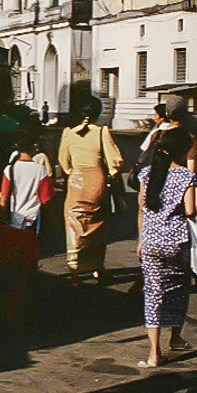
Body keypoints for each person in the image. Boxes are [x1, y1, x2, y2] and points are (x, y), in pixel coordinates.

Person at [136, 127, 197, 368]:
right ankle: (175, 337)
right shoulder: (185, 176)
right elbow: (191, 210)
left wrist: (140, 241)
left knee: (153, 295)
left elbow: (142, 209)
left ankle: (154, 353)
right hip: (175, 243)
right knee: (179, 290)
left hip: (150, 241)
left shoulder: (147, 174)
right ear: (183, 151)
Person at [0, 130, 55, 320]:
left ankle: (5, 306)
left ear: (17, 147)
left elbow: (3, 199)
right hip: (30, 226)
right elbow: (46, 200)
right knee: (24, 271)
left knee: (7, 267)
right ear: (35, 145)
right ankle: (19, 307)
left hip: (11, 225)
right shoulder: (40, 171)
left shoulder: (9, 170)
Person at [57, 101, 124, 283]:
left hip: (77, 181)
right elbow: (115, 161)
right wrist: (108, 173)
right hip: (97, 180)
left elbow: (64, 161)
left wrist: (73, 172)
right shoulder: (102, 132)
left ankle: (74, 270)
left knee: (74, 224)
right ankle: (96, 266)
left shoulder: (68, 134)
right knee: (97, 225)